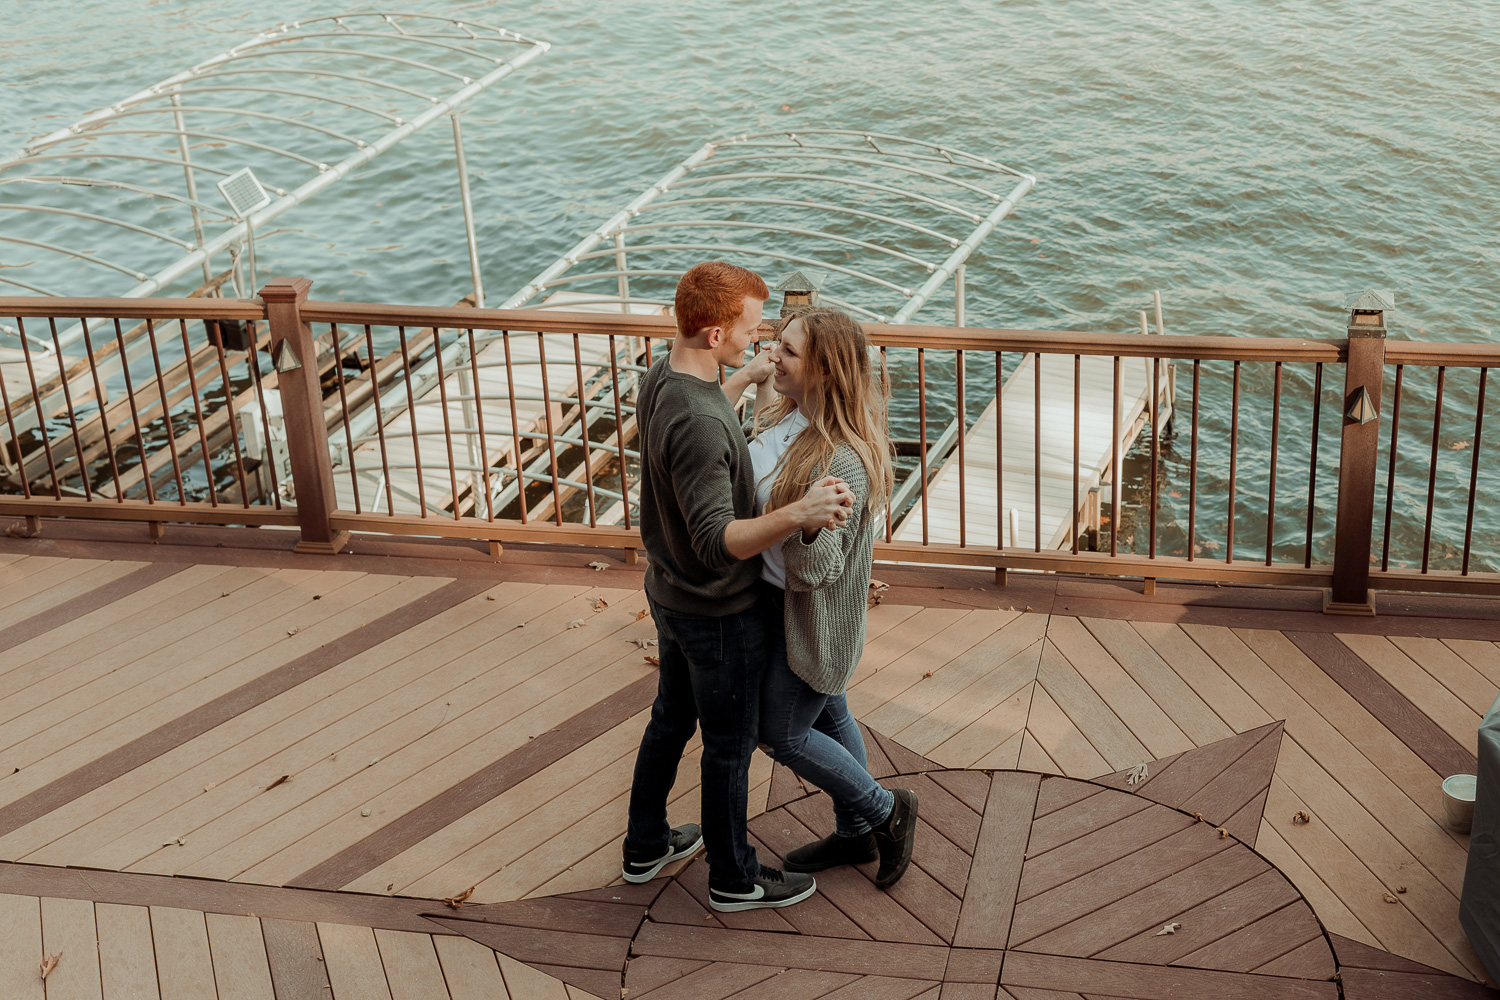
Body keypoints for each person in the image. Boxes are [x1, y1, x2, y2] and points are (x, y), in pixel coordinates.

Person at [620, 261, 853, 913]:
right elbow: (716, 539)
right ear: (716, 331)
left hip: (667, 594)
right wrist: (797, 514)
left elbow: (699, 415)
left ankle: (645, 846)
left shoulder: (664, 375)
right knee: (727, 748)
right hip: (716, 611)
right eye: (752, 333)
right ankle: (734, 877)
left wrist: (743, 381)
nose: (762, 342)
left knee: (670, 718)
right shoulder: (698, 419)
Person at [749, 307, 919, 888]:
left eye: (788, 352)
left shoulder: (841, 458)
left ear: (824, 370)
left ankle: (885, 812)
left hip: (811, 616)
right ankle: (853, 837)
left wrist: (804, 522)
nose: (775, 356)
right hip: (773, 603)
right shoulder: (787, 414)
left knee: (781, 732)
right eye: (776, 344)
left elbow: (819, 570)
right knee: (831, 709)